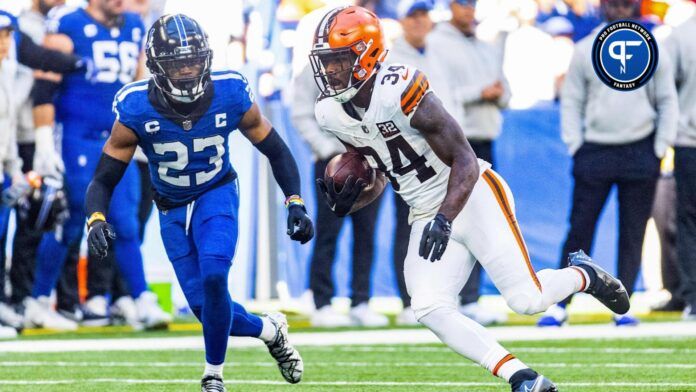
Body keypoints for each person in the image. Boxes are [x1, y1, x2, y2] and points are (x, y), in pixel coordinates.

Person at [311, 6, 631, 391]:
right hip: (424, 208)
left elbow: (463, 157)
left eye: (339, 61)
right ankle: (521, 376)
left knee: (526, 300)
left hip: (472, 192)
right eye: (327, 63)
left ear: (368, 54)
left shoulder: (400, 87)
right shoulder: (330, 112)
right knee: (428, 305)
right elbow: (379, 172)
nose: (330, 72)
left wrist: (444, 218)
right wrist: (350, 201)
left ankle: (584, 275)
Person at [85, 14, 312, 391]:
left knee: (213, 275)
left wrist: (295, 200)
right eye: (177, 62)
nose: (188, 70)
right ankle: (271, 329)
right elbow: (104, 176)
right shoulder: (136, 105)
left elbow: (275, 149)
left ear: (206, 57)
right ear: (158, 66)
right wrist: (95, 217)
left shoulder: (230, 91)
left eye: (193, 60)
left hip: (215, 190)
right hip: (171, 204)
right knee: (207, 309)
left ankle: (213, 375)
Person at [23, 0, 170, 331]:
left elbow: (139, 87)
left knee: (126, 220)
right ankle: (38, 299)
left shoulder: (135, 25)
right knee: (73, 217)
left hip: (118, 138)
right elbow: (44, 88)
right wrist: (45, 140)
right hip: (76, 135)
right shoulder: (68, 23)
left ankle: (141, 297)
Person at [538, 0, 678, 327]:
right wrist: (576, 145)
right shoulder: (586, 49)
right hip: (596, 149)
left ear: (636, 7)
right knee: (580, 229)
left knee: (632, 232)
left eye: (626, 3)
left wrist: (658, 148)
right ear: (603, 7)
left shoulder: (651, 48)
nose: (619, 9)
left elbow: (667, 99)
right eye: (613, 3)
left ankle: (622, 306)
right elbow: (572, 100)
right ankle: (560, 304)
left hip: (640, 148)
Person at [289, 2, 388, 328]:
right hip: (334, 162)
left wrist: (375, 152)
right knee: (329, 230)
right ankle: (321, 299)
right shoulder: (314, 69)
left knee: (366, 232)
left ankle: (361, 299)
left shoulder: (381, 71)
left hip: (372, 160)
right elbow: (301, 113)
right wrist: (331, 151)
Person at [428, 0, 510, 326]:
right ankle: (449, 295)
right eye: (463, 4)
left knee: (483, 219)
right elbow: (440, 95)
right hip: (457, 141)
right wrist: (480, 91)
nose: (469, 10)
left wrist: (495, 92)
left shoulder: (484, 45)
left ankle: (471, 296)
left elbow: (506, 93)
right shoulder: (437, 44)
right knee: (454, 218)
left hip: (485, 138)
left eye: (472, 4)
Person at [665, 11, 696, 320]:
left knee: (689, 221)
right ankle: (694, 296)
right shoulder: (680, 36)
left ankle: (694, 297)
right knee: (689, 220)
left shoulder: (680, 36)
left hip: (689, 139)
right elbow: (664, 91)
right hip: (689, 141)